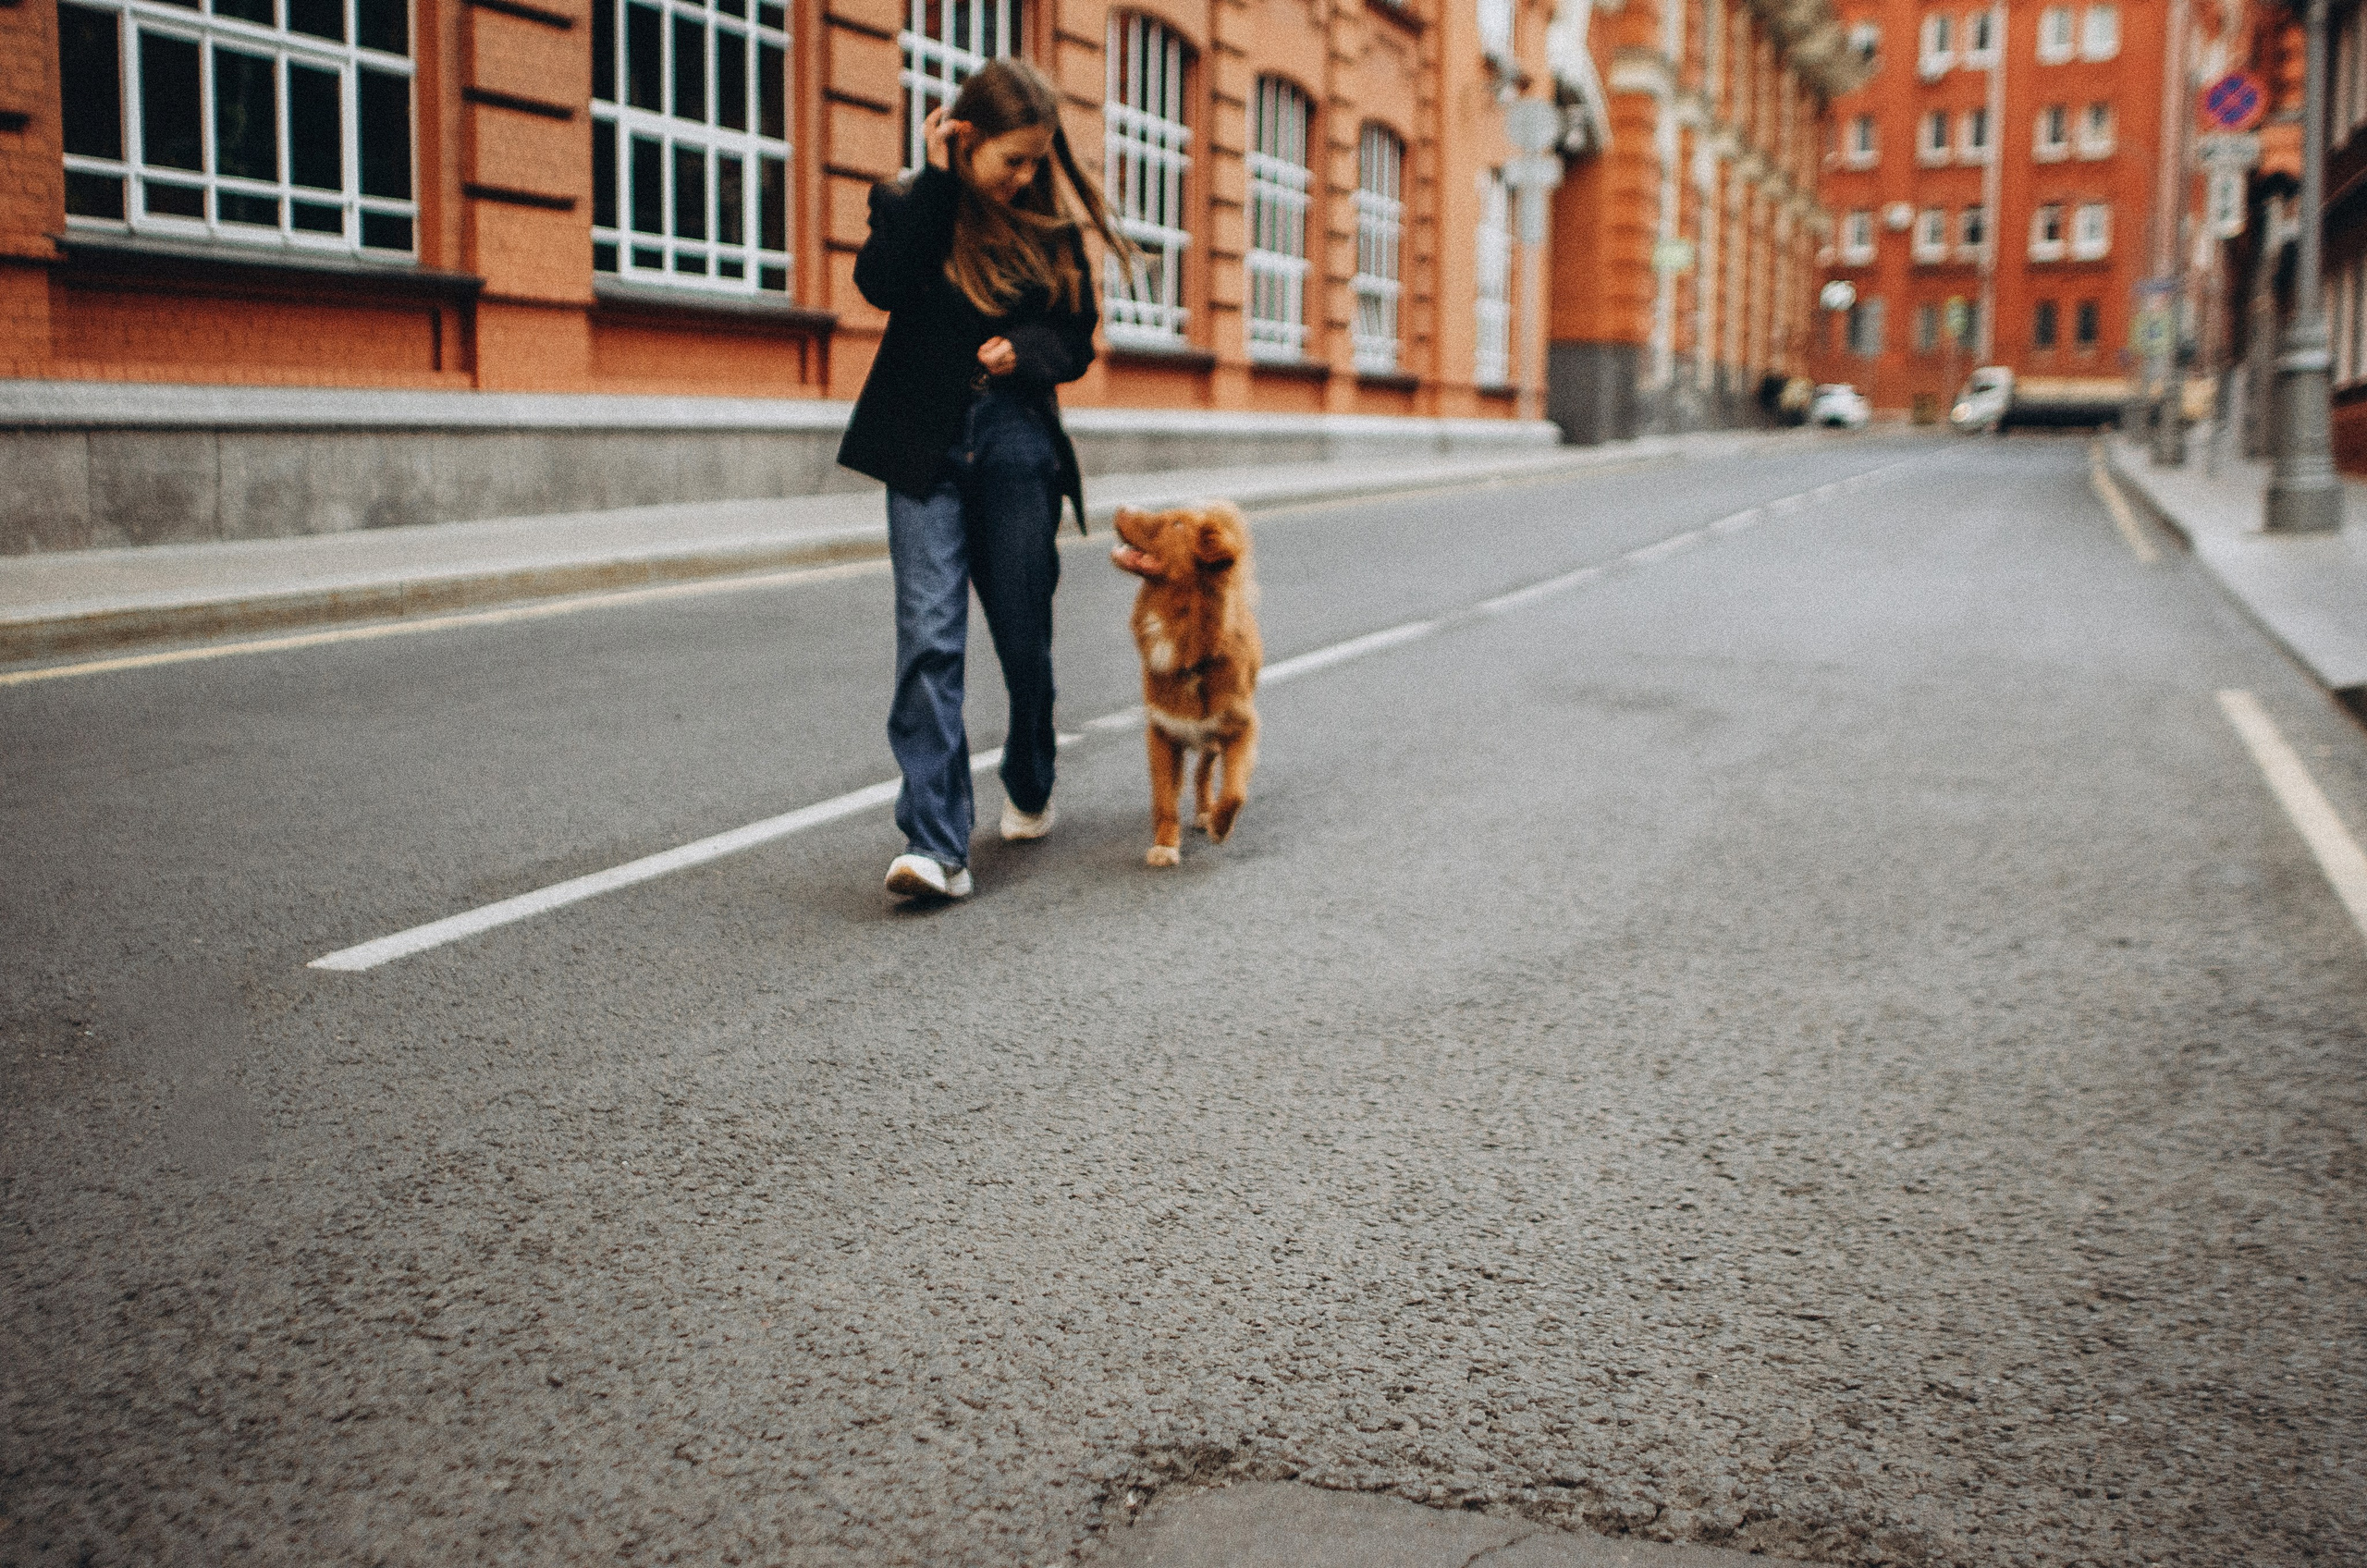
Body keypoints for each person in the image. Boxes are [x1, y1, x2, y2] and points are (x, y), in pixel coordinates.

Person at [838, 60, 1134, 902]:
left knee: (1022, 638)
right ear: (963, 140)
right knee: (929, 636)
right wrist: (935, 183)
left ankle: (1031, 771)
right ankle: (936, 846)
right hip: (921, 445)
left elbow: (1075, 342)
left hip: (1014, 446)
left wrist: (1028, 353)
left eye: (1040, 160)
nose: (1028, 176)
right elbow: (882, 284)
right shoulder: (911, 206)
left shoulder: (1052, 235)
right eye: (1013, 159)